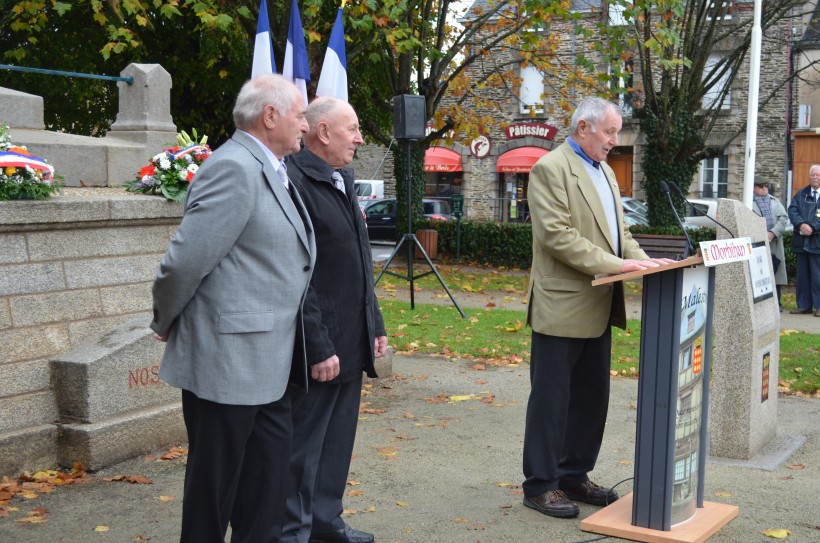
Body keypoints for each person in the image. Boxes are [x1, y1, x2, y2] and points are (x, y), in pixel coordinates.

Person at [150, 74, 314, 542]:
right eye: (300, 115)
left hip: (270, 365)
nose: (305, 124)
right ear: (270, 117)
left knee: (265, 493)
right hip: (226, 366)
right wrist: (165, 319)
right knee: (213, 495)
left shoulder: (272, 168)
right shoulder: (234, 168)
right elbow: (184, 264)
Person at [523, 96, 667, 519]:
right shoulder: (549, 168)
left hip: (599, 304)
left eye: (616, 132)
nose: (614, 141)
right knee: (552, 399)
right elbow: (557, 236)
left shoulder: (605, 171)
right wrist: (621, 265)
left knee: (592, 397)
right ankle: (540, 485)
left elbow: (619, 234)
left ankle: (573, 475)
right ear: (583, 128)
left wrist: (648, 260)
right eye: (609, 131)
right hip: (562, 306)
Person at [282, 96, 389, 543]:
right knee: (302, 449)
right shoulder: (293, 181)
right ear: (322, 132)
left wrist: (375, 324)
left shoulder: (342, 178)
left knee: (338, 443)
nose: (361, 138)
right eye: (354, 129)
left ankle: (327, 523)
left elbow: (359, 263)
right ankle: (295, 531)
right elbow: (296, 275)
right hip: (319, 345)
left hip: (351, 337)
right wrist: (319, 344)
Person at [752, 178, 789, 310]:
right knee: (759, 274)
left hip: (775, 243)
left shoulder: (774, 201)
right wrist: (762, 235)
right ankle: (761, 305)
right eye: (761, 186)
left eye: (766, 186)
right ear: (754, 188)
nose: (764, 189)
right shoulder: (748, 202)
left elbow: (784, 218)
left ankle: (777, 304)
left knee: (776, 273)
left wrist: (772, 233)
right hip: (758, 243)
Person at [788, 164, 820, 316]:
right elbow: (792, 210)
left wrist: (812, 227)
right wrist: (801, 224)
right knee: (802, 277)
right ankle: (804, 305)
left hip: (817, 243)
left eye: (818, 175)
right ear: (809, 176)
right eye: (813, 174)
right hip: (801, 243)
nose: (815, 177)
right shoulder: (801, 194)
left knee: (818, 276)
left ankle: (819, 306)